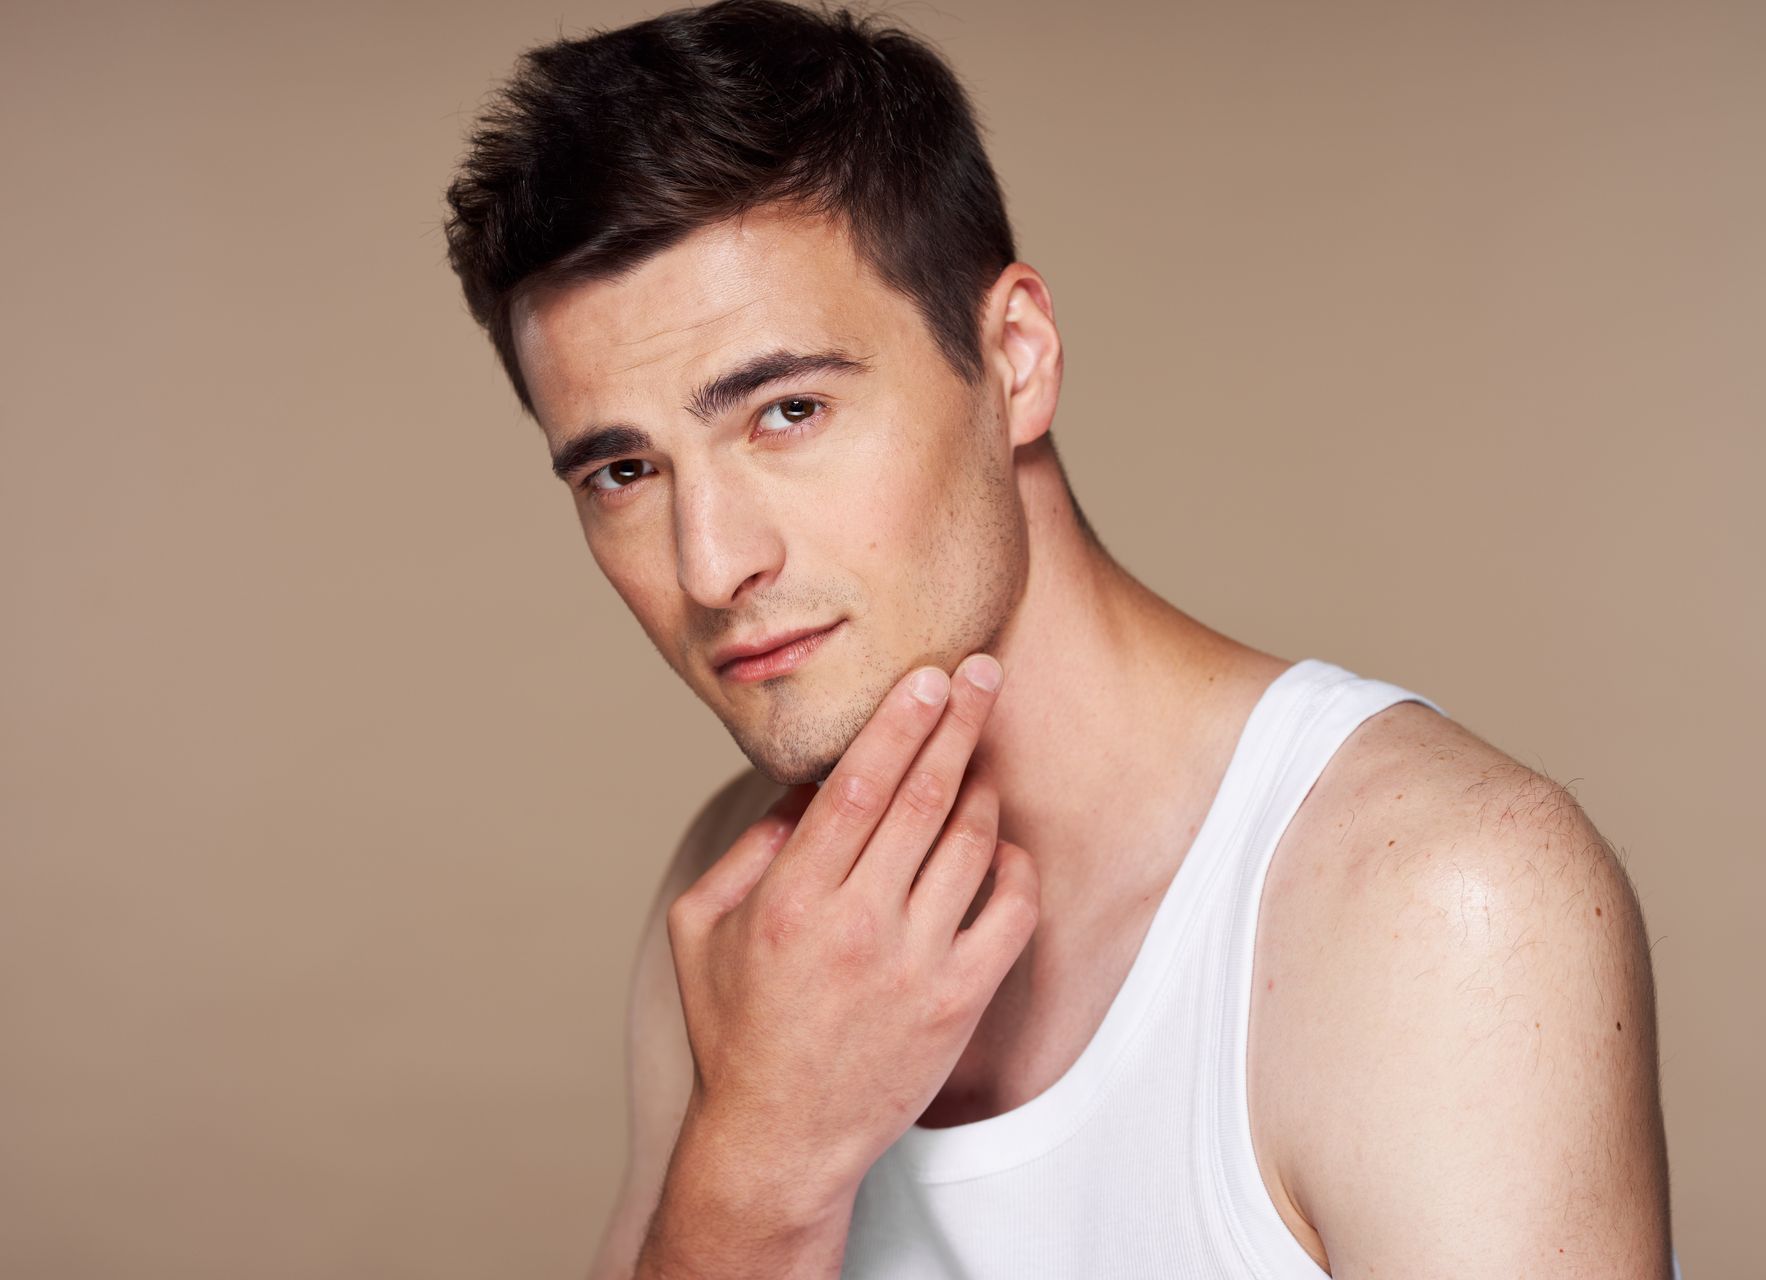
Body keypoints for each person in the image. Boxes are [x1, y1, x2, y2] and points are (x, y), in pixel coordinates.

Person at [442, 2, 1676, 1276]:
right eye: (624, 471)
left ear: (1016, 359)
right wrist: (755, 1166)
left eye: (788, 409)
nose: (711, 562)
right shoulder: (742, 902)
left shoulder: (1441, 903)